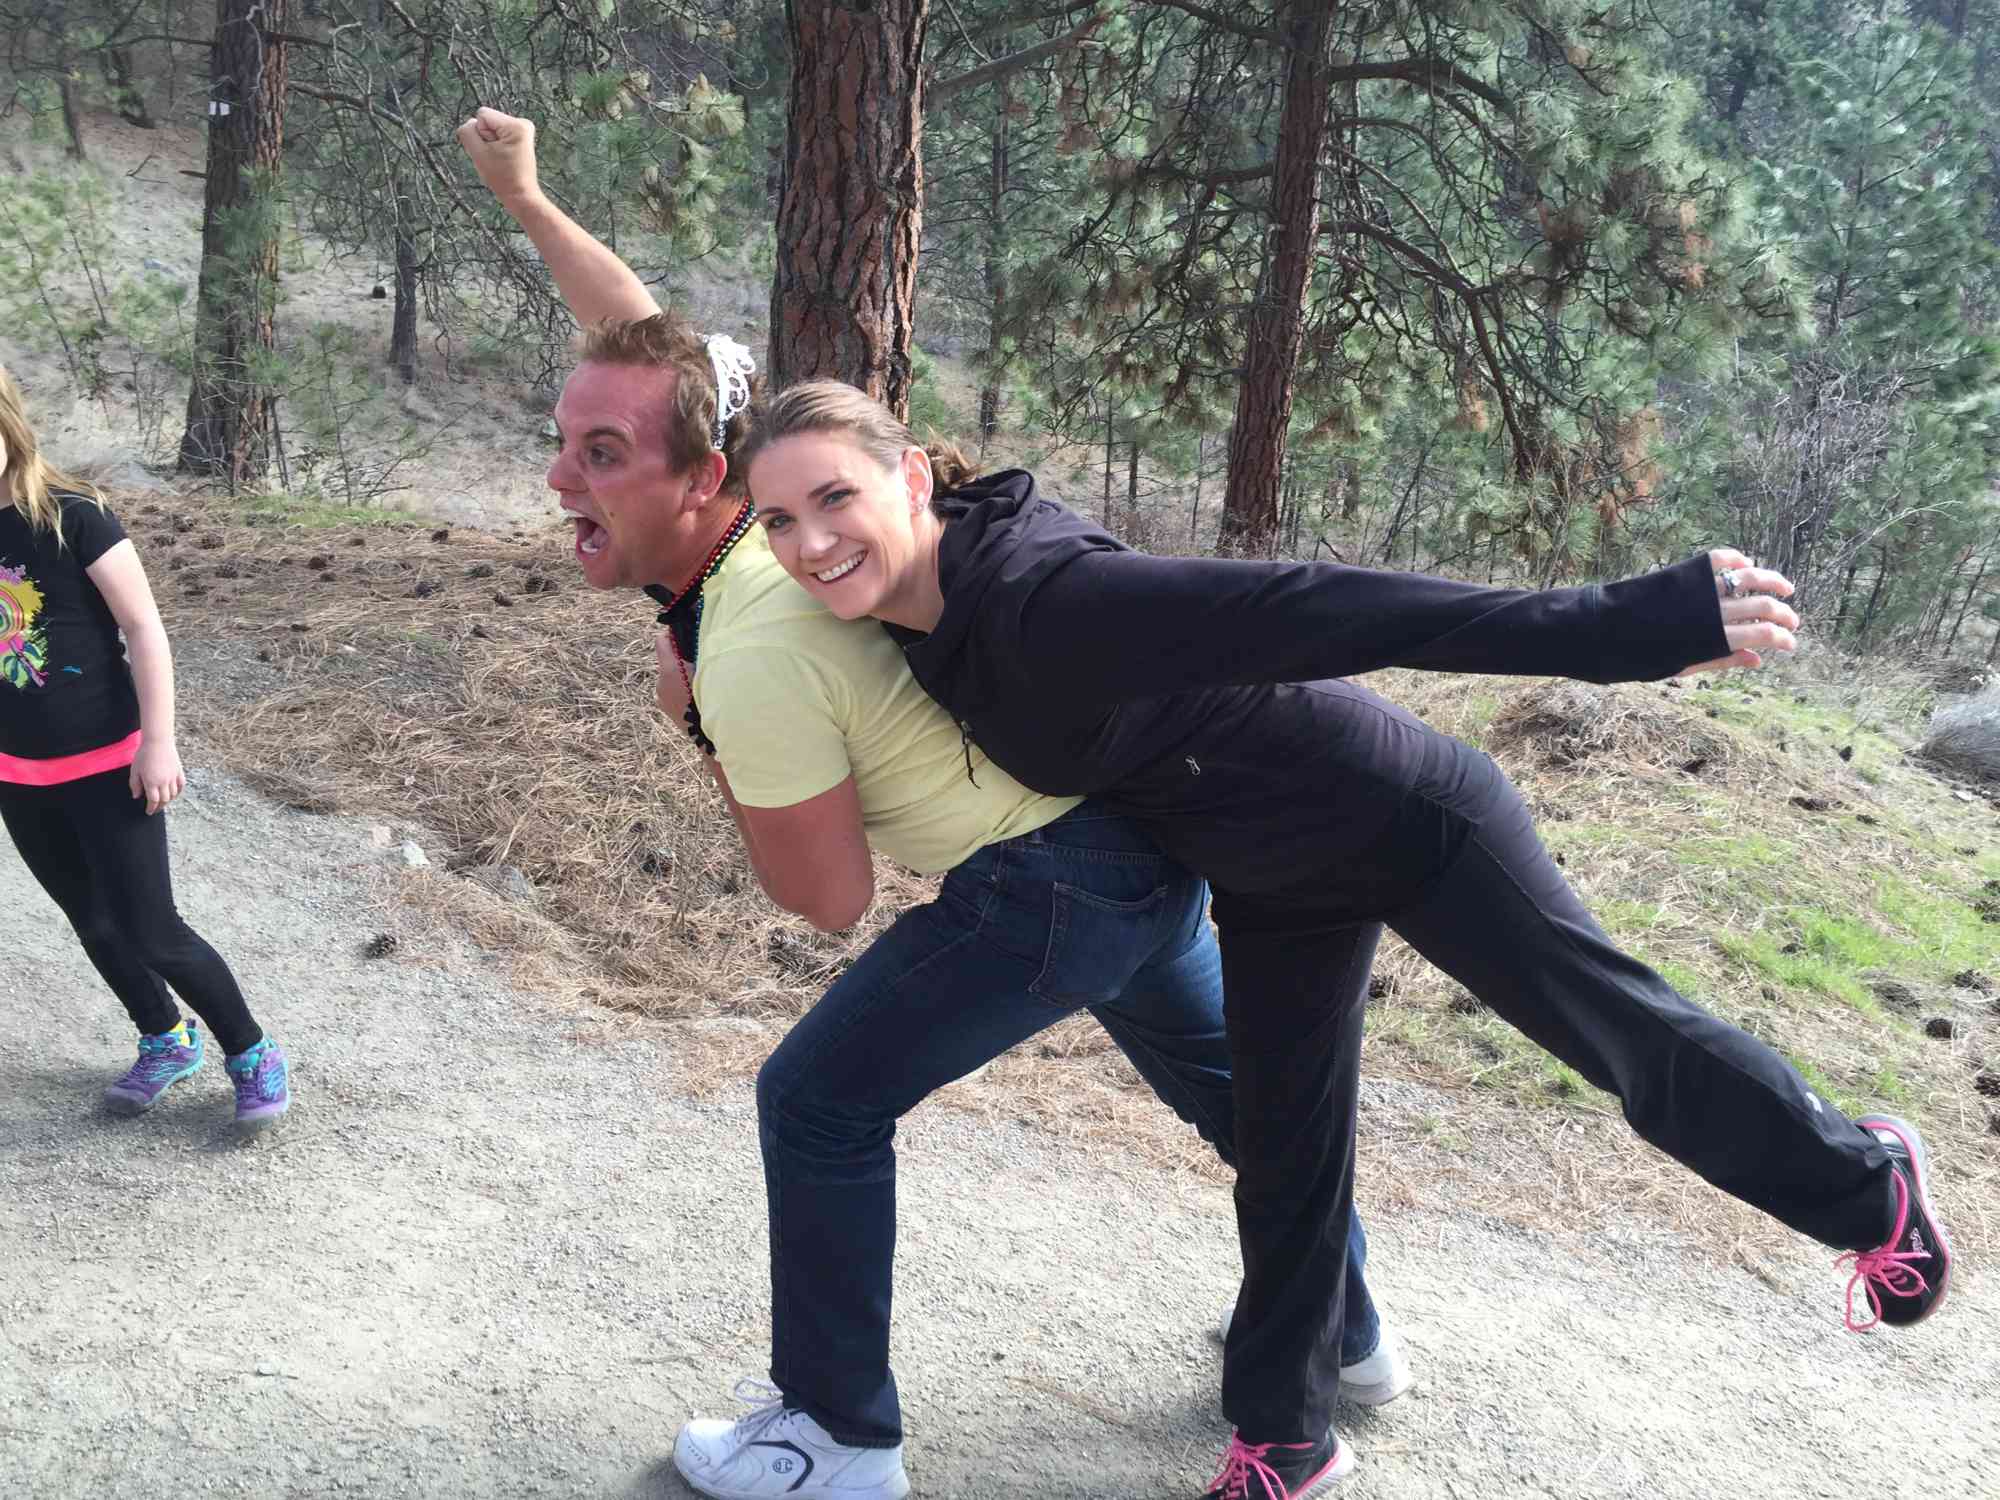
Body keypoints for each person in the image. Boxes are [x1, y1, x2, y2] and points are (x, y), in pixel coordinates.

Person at [734, 380, 1955, 1500]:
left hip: (1404, 817)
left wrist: (1619, 626)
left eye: (834, 498)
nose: (808, 541)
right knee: (1285, 1150)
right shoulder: (917, 606)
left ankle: (1867, 1186)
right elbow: (684, 448)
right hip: (1271, 874)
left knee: (1616, 1039)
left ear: (910, 479)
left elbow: (1310, 607)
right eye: (778, 519)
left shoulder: (1044, 602)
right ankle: (1288, 1438)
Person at [454, 110, 1407, 1500]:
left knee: (817, 1101)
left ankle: (836, 1436)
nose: (561, 477)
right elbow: (649, 350)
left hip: (1050, 885)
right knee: (1242, 1100)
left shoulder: (750, 644)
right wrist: (530, 202)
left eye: (599, 455)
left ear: (700, 478)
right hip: (1139, 841)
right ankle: (1345, 1338)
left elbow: (827, 900)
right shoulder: (776, 502)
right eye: (571, 446)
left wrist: (702, 727)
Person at [0, 365, 291, 1133]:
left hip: (107, 763)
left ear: (8, 423)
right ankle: (166, 1038)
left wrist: (158, 743)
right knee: (92, 922)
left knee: (152, 930)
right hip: (18, 776)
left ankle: (251, 1051)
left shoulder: (74, 516)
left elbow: (143, 628)